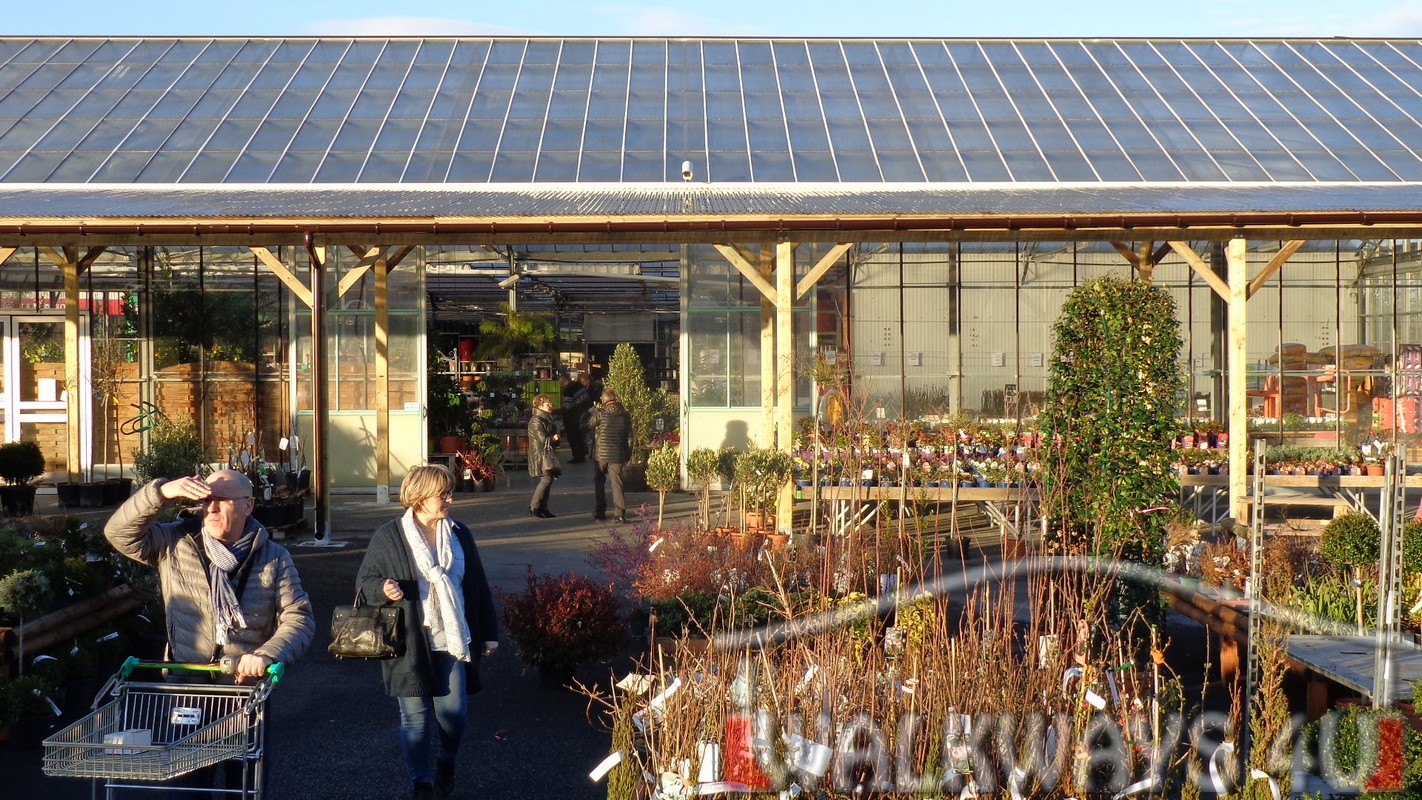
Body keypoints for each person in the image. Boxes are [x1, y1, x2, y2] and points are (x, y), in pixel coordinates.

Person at [104, 468, 314, 795]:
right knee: (188, 786)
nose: (211, 509)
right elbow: (118, 533)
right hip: (187, 683)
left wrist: (266, 654)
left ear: (249, 505)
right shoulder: (174, 541)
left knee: (244, 784)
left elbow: (298, 618)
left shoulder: (274, 557)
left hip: (243, 690)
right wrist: (161, 492)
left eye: (222, 500)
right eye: (206, 500)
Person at [356, 465, 498, 800]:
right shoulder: (389, 536)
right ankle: (420, 783)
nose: (449, 498)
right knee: (414, 719)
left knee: (455, 714)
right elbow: (365, 583)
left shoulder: (459, 533)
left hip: (453, 639)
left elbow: (476, 585)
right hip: (409, 642)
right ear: (419, 497)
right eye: (443, 493)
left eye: (449, 492)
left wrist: (489, 632)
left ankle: (446, 761)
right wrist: (384, 587)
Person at [586, 387, 633, 523]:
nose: (600, 399)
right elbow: (630, 436)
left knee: (599, 482)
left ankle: (600, 511)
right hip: (618, 453)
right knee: (617, 483)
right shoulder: (625, 414)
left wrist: (588, 414)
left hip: (601, 454)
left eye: (602, 397)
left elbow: (586, 426)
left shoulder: (600, 413)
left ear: (605, 399)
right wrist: (627, 454)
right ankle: (619, 514)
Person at [527, 393, 561, 518]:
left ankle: (542, 507)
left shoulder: (547, 418)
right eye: (548, 404)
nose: (550, 406)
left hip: (546, 453)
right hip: (540, 454)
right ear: (540, 405)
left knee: (549, 479)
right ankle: (534, 506)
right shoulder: (536, 420)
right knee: (546, 479)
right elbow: (541, 438)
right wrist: (553, 437)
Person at [562, 373, 596, 463]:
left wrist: (557, 411)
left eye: (561, 383)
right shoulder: (579, 386)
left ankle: (577, 456)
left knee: (573, 437)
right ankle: (583, 453)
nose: (561, 386)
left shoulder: (568, 390)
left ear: (565, 381)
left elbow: (567, 406)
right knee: (580, 435)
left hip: (573, 417)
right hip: (583, 414)